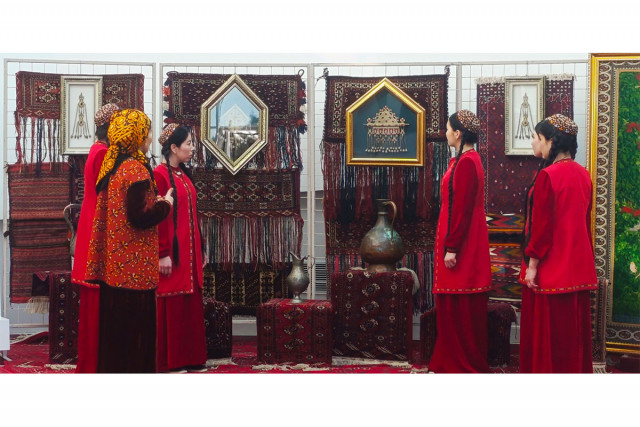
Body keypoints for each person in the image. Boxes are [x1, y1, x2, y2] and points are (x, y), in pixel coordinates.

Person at [85, 108, 174, 373]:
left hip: (115, 268)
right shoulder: (135, 170)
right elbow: (139, 217)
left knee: (115, 340)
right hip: (134, 271)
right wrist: (165, 205)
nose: (150, 138)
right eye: (147, 133)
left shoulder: (114, 166)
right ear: (135, 137)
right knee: (134, 343)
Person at [519, 114, 597, 373]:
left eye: (536, 137)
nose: (533, 142)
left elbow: (541, 228)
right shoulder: (584, 174)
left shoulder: (548, 176)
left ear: (550, 141)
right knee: (572, 338)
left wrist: (532, 266)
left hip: (551, 268)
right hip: (577, 267)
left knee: (549, 340)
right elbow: (584, 224)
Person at [429, 110, 492, 373]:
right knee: (456, 305)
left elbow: (463, 209)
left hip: (461, 244)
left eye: (447, 129)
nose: (445, 133)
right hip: (460, 239)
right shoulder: (466, 160)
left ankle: (458, 364)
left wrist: (452, 247)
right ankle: (452, 361)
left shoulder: (466, 163)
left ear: (457, 133)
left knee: (459, 305)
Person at [153, 124, 207, 373]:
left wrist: (201, 248)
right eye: (188, 144)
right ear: (174, 148)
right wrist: (163, 253)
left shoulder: (183, 175)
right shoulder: (160, 175)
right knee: (172, 301)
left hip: (189, 250)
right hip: (173, 252)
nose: (193, 148)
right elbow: (160, 217)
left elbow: (193, 215)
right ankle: (170, 361)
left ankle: (191, 357)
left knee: (189, 303)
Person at [72, 103, 119, 373]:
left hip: (91, 226)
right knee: (97, 301)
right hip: (96, 230)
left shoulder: (96, 150)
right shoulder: (103, 154)